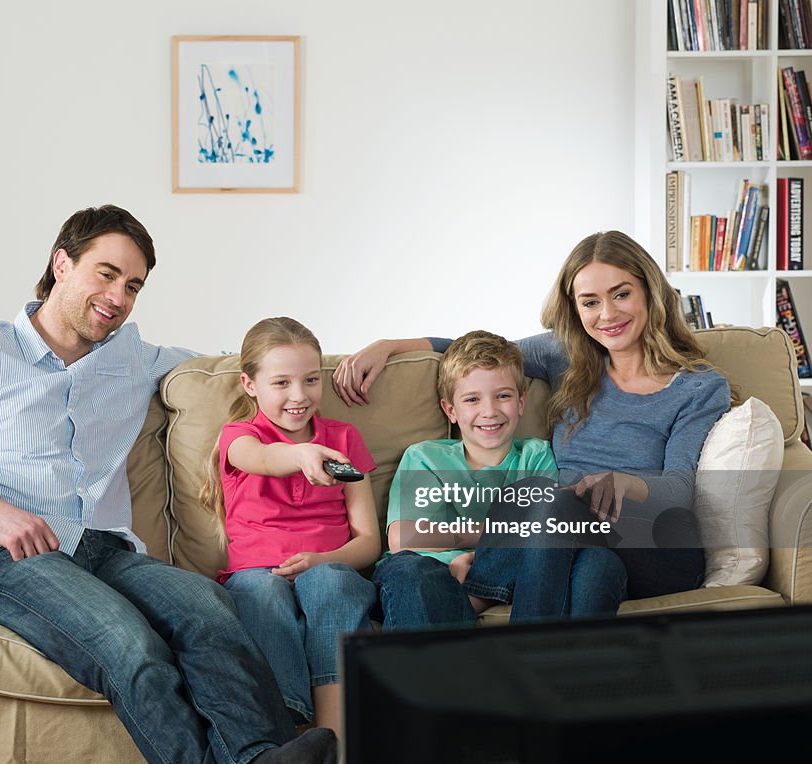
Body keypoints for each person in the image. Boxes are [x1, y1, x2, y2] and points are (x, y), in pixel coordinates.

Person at [0, 205, 337, 764]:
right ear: (62, 263)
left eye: (133, 286)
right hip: (12, 558)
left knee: (210, 610)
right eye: (106, 274)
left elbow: (239, 365)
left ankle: (258, 757)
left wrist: (393, 350)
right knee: (133, 648)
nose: (118, 297)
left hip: (107, 549)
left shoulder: (134, 356)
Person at [333, 230, 730, 619]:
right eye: (590, 302)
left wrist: (626, 482)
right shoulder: (566, 355)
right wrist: (390, 346)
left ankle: (483, 587)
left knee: (544, 497)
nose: (607, 314)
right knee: (592, 566)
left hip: (657, 545)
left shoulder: (698, 385)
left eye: (621, 294)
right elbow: (479, 355)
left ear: (650, 291)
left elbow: (681, 487)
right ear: (575, 308)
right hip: (568, 540)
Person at [200, 317, 379, 739]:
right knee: (263, 593)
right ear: (249, 384)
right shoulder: (239, 437)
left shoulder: (345, 438)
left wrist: (323, 559)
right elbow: (261, 459)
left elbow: (369, 542)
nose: (299, 396)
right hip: (257, 573)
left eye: (311, 380)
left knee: (331, 583)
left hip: (330, 565)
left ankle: (336, 741)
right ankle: (290, 734)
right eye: (281, 383)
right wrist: (303, 455)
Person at [375, 330, 621, 627]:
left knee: (598, 561)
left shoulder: (535, 454)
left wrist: (479, 556)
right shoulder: (426, 457)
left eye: (503, 396)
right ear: (450, 410)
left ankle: (481, 598)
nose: (489, 411)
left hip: (509, 570)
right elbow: (405, 537)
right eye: (472, 400)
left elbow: (548, 531)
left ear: (521, 402)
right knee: (411, 572)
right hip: (428, 570)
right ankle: (469, 608)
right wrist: (489, 541)